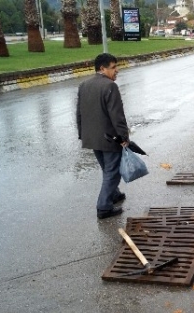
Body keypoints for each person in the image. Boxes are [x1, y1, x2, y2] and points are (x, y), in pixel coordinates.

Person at [76, 53, 130, 219]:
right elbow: (117, 116)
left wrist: (81, 133)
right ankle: (104, 207)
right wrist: (124, 137)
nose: (117, 71)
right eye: (113, 67)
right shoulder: (110, 86)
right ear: (102, 68)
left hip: (91, 137)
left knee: (107, 169)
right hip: (110, 139)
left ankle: (114, 194)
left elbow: (79, 113)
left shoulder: (84, 84)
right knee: (112, 172)